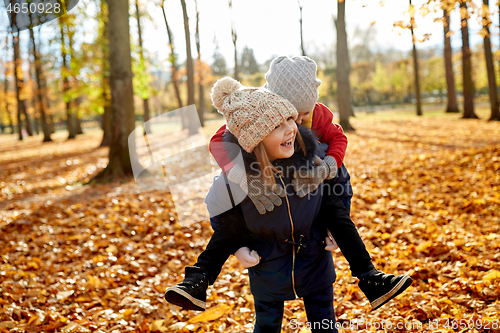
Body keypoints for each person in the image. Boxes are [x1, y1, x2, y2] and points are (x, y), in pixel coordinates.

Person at [165, 56, 412, 313]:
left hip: (310, 232)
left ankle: (369, 276)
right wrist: (244, 178)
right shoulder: (253, 116)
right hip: (267, 245)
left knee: (331, 201)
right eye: (288, 115)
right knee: (234, 225)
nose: (300, 121)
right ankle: (198, 279)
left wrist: (327, 168)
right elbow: (219, 144)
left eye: (302, 115)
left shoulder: (316, 125)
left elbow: (340, 159)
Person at [167, 77, 338, 332]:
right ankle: (197, 279)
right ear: (255, 140)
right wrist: (237, 247)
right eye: (280, 124)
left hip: (314, 259)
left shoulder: (311, 153)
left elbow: (337, 192)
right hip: (267, 264)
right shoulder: (239, 167)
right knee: (267, 325)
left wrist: (334, 226)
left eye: (294, 118)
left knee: (324, 324)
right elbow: (220, 213)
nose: (297, 124)